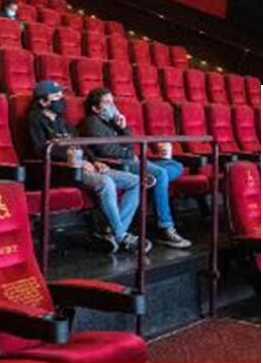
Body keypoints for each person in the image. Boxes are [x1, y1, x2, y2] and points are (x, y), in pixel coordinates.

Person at [27, 80, 148, 254]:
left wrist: (94, 160)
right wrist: (75, 161)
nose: (61, 100)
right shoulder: (34, 120)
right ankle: (122, 236)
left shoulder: (62, 120)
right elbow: (40, 150)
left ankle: (112, 232)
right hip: (62, 169)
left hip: (85, 165)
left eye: (61, 96)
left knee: (135, 181)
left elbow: (81, 145)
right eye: (56, 97)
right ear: (43, 101)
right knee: (105, 182)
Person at [79, 88, 193, 249]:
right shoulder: (91, 122)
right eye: (107, 103)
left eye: (112, 102)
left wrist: (122, 127)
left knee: (176, 166)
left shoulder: (111, 122)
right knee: (161, 174)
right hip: (118, 163)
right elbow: (104, 150)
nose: (112, 106)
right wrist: (129, 154)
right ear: (95, 108)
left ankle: (150, 181)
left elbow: (130, 143)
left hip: (131, 159)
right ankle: (165, 227)